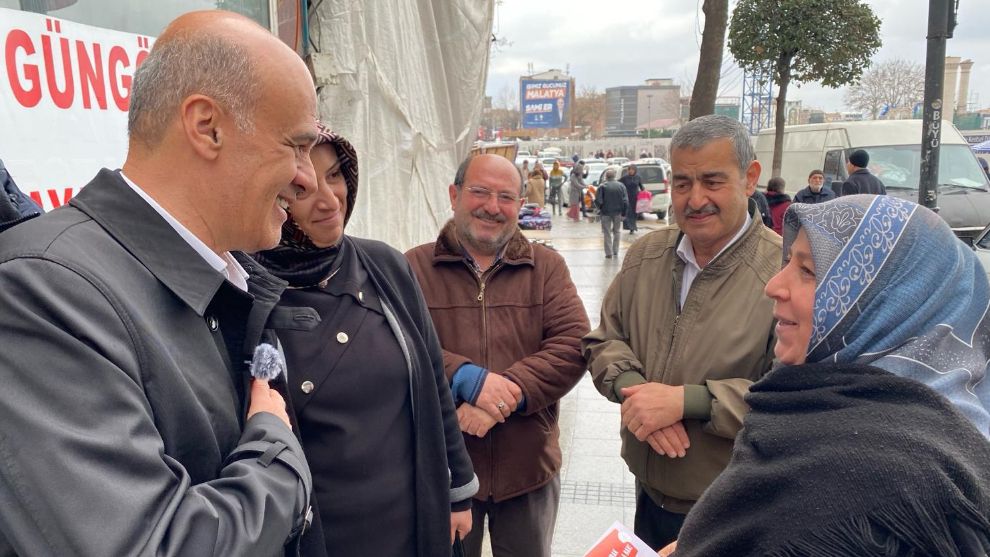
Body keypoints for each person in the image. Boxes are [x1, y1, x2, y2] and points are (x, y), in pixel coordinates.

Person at [0, 11, 316, 555]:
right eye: (297, 145)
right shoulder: (42, 292)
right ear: (207, 127)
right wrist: (276, 453)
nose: (308, 178)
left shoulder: (221, 278)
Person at [666, 195, 990, 557]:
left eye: (808, 271)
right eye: (788, 262)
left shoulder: (861, 484)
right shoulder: (834, 413)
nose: (774, 286)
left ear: (884, 302)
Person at [254, 123, 478, 556]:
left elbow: (432, 376)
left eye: (335, 175)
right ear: (272, 195)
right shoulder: (248, 289)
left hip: (413, 516)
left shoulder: (384, 265)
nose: (329, 199)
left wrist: (457, 490)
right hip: (322, 533)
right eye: (301, 189)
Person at [583, 114, 781, 550]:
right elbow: (604, 341)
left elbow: (792, 398)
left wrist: (685, 402)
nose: (695, 200)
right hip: (649, 493)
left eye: (712, 181)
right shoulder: (647, 255)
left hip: (731, 510)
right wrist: (637, 394)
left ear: (750, 179)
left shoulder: (784, 276)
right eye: (682, 183)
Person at [405, 154, 589, 557]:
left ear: (520, 205)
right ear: (454, 195)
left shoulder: (547, 268)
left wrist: (501, 397)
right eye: (480, 192)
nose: (492, 206)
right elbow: (400, 345)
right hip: (446, 471)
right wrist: (467, 380)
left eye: (506, 197)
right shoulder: (412, 268)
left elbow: (573, 343)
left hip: (528, 469)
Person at [595, 167, 628, 259]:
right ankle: (615, 251)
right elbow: (625, 201)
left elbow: (598, 200)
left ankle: (608, 253)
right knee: (617, 231)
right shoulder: (621, 186)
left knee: (607, 232)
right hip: (618, 212)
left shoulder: (602, 186)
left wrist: (600, 208)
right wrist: (624, 212)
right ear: (614, 176)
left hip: (605, 213)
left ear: (606, 176)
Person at [620, 164, 644, 234]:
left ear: (635, 170)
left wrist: (645, 192)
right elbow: (619, 184)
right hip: (627, 197)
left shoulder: (638, 177)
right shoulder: (624, 178)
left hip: (635, 198)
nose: (631, 171)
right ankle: (630, 227)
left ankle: (632, 227)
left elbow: (641, 186)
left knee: (634, 213)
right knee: (628, 212)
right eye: (630, 169)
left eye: (632, 170)